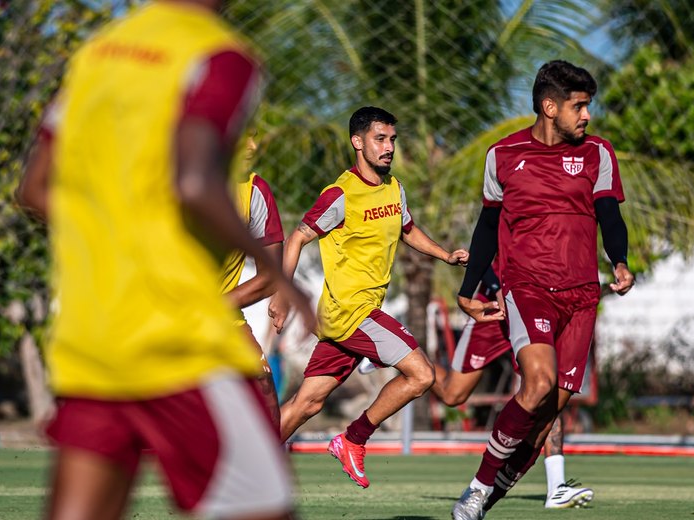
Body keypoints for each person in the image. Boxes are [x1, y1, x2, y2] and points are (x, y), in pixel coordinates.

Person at [15, 1, 316, 519]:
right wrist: (275, 276)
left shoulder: (98, 52)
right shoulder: (219, 56)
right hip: (176, 340)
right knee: (266, 504)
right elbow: (195, 181)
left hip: (92, 337)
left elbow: (34, 190)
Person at [452, 60, 634, 520]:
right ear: (549, 107)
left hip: (581, 297)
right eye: (579, 106)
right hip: (527, 287)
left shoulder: (598, 154)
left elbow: (610, 215)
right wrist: (468, 288)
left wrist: (620, 261)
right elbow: (488, 226)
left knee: (545, 416)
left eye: (588, 105)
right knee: (536, 384)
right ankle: (475, 488)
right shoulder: (503, 155)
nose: (587, 115)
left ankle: (486, 500)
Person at [270, 106, 469, 489]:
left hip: (354, 317)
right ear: (357, 142)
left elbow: (407, 228)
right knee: (422, 374)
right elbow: (297, 237)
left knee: (306, 404)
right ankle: (353, 439)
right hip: (351, 312)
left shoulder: (394, 189)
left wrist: (445, 254)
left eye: (392, 139)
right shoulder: (340, 194)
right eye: (380, 139)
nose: (389, 147)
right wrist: (282, 292)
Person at [431, 263, 593, 509]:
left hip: (533, 304)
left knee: (544, 388)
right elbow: (482, 246)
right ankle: (405, 357)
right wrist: (496, 286)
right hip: (495, 310)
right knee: (453, 394)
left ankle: (556, 486)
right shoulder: (506, 223)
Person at [220, 135, 286, 430]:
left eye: (255, 137)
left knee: (264, 392)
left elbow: (270, 275)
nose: (252, 147)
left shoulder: (254, 190)